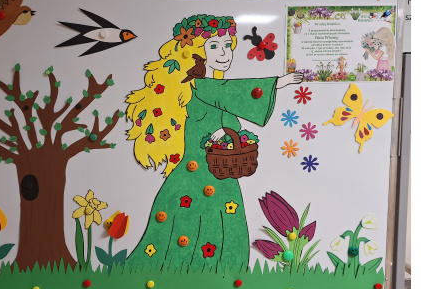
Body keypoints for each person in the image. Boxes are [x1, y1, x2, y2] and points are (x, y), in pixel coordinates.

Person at [124, 14, 302, 272]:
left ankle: (222, 270)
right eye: (214, 46)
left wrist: (226, 130)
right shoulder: (198, 84)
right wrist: (277, 83)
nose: (224, 53)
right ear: (196, 53)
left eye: (227, 45)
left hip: (220, 168)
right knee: (186, 218)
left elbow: (231, 120)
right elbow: (227, 92)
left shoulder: (214, 88)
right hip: (198, 169)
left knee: (220, 217)